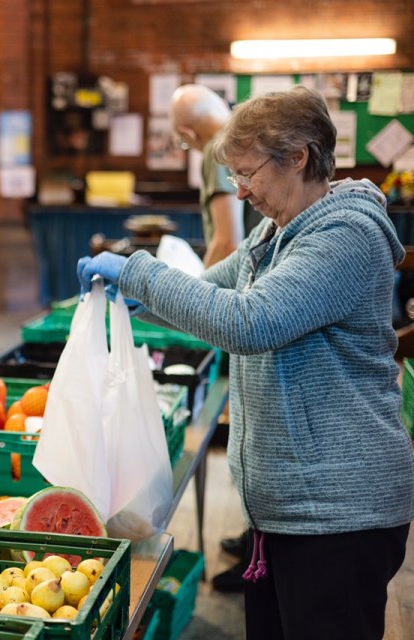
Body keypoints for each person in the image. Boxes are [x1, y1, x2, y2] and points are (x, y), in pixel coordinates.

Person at [79, 86, 414, 639]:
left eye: (248, 173)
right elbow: (211, 292)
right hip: (285, 510)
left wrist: (138, 272)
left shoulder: (346, 236)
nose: (240, 191)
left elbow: (248, 322)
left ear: (299, 157)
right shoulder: (278, 228)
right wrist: (140, 301)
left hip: (339, 513)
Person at [170, 83, 260, 591]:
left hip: (241, 304)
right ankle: (253, 541)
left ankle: (254, 555)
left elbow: (228, 239)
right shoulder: (241, 137)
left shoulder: (214, 151)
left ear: (186, 132)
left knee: (245, 419)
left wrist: (192, 305)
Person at [169, 84, 260, 267]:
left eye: (183, 143)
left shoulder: (217, 148)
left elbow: (227, 243)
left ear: (187, 133)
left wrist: (196, 289)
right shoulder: (246, 138)